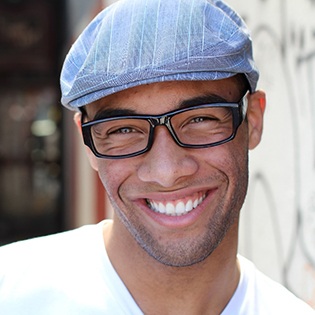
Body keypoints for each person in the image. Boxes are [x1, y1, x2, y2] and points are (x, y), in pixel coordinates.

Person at [0, 0, 314, 314]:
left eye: (199, 119)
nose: (167, 171)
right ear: (86, 141)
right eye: (123, 130)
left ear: (254, 120)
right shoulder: (11, 294)